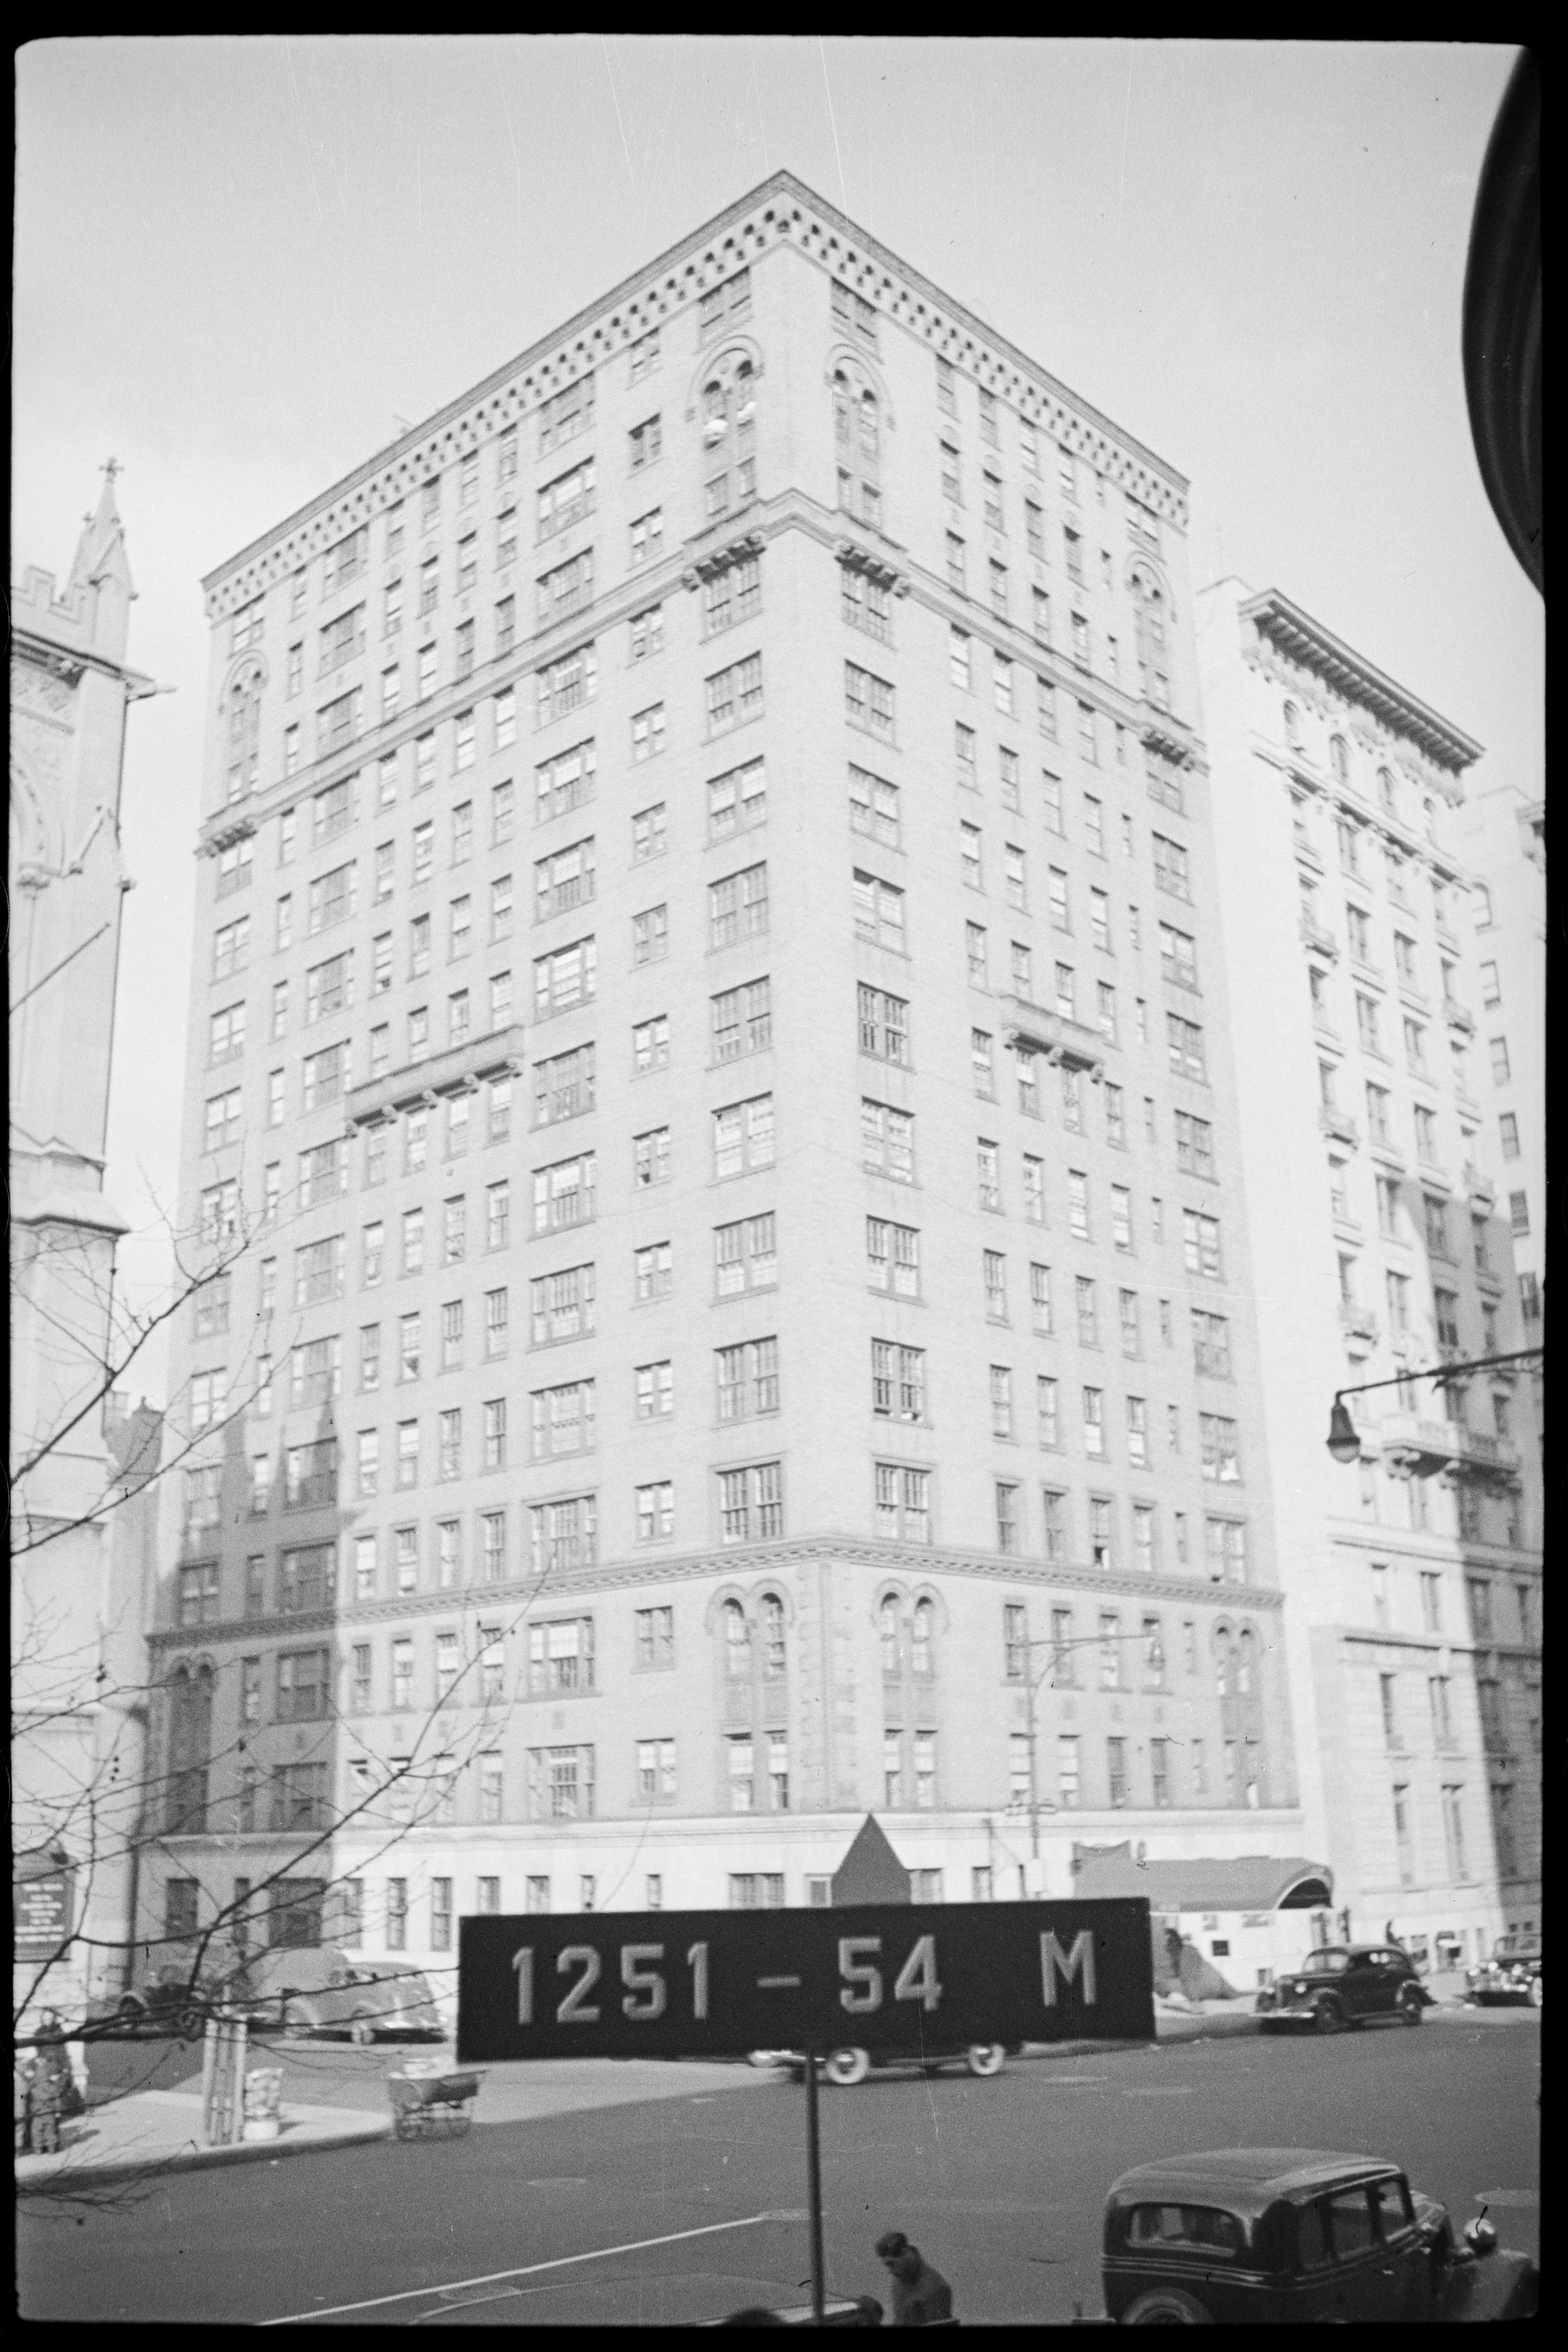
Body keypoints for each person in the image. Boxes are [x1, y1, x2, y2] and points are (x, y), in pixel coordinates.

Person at [875, 2232, 953, 2325]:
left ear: (905, 2253)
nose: (890, 2271)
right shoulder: (898, 2281)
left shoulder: (936, 2288)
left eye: (891, 2264)